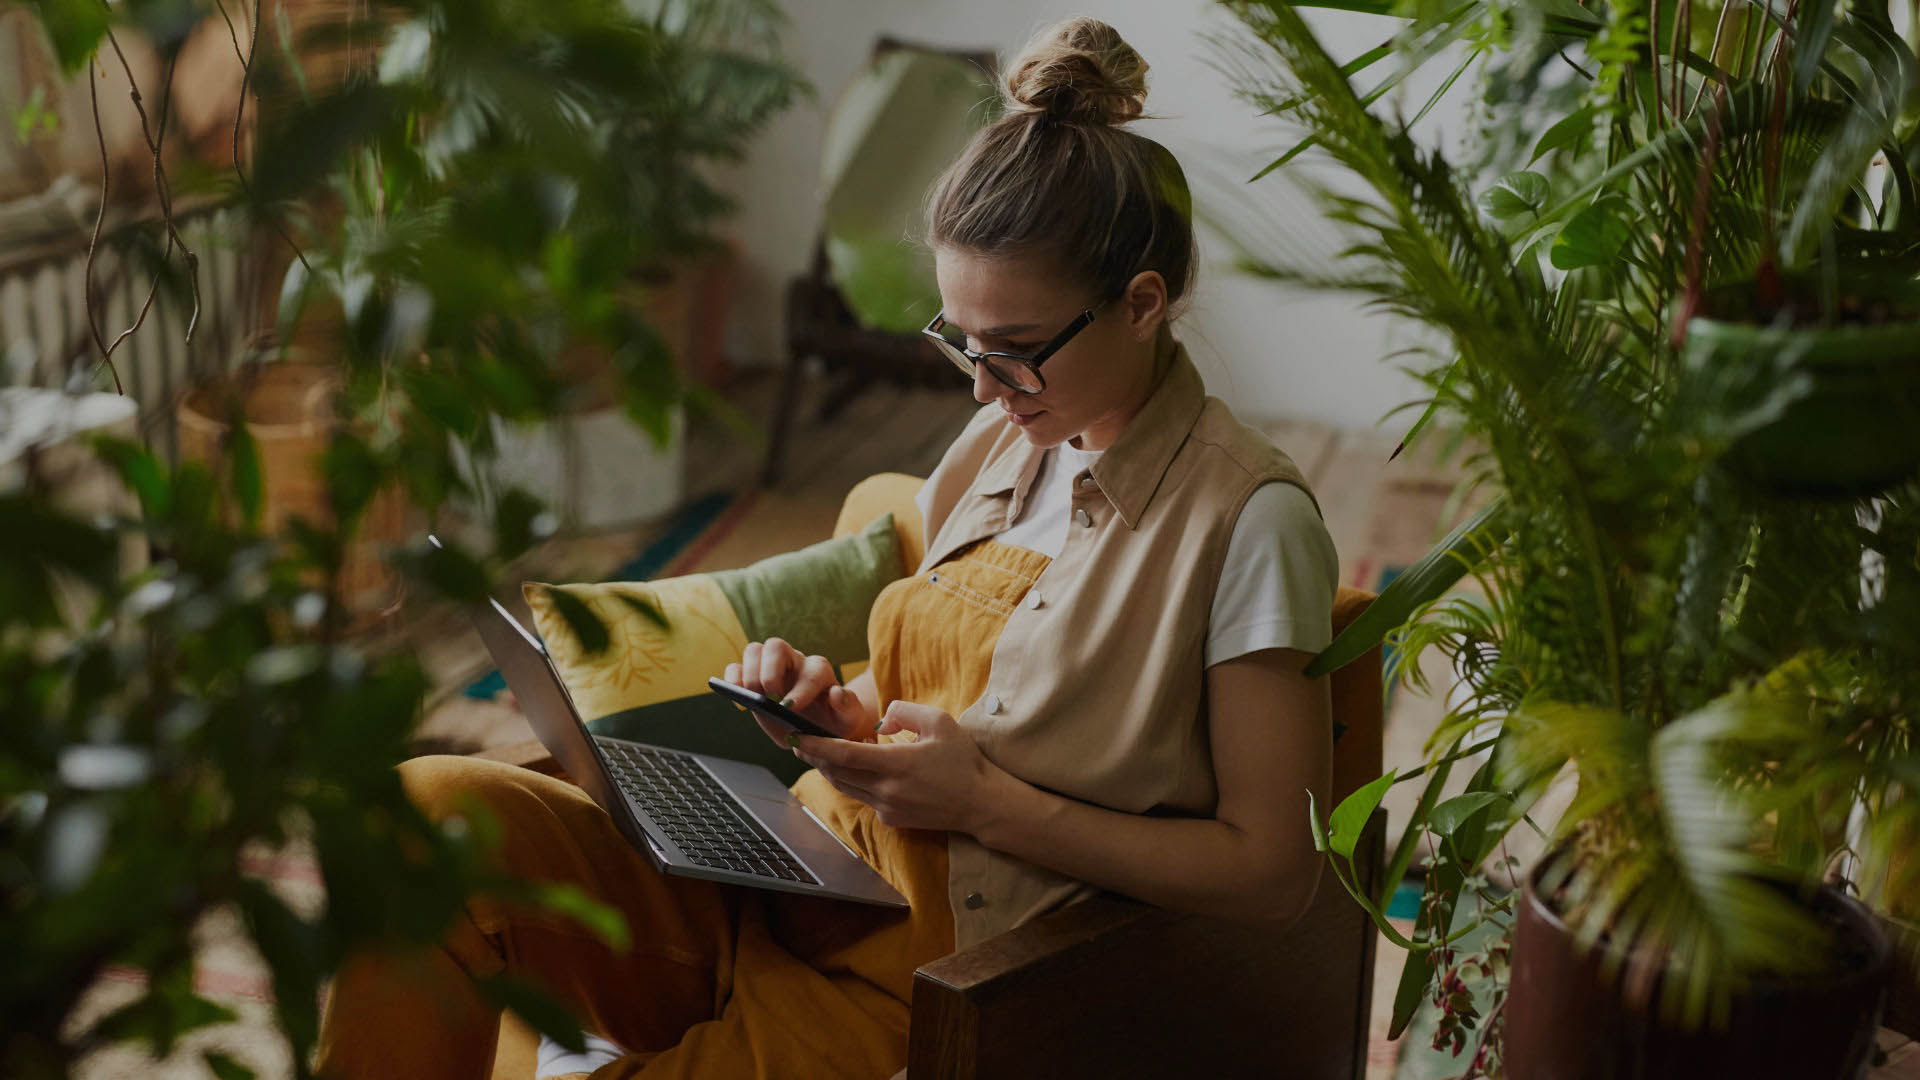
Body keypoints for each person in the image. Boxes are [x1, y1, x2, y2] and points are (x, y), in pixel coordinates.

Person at [314, 16, 1337, 1080]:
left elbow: (1270, 875)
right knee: (421, 816)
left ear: (1142, 303)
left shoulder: (1248, 520)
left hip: (920, 984)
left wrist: (985, 804)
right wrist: (833, 714)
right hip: (790, 887)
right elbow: (954, 701)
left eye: (1018, 352)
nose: (982, 388)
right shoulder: (1000, 440)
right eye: (961, 343)